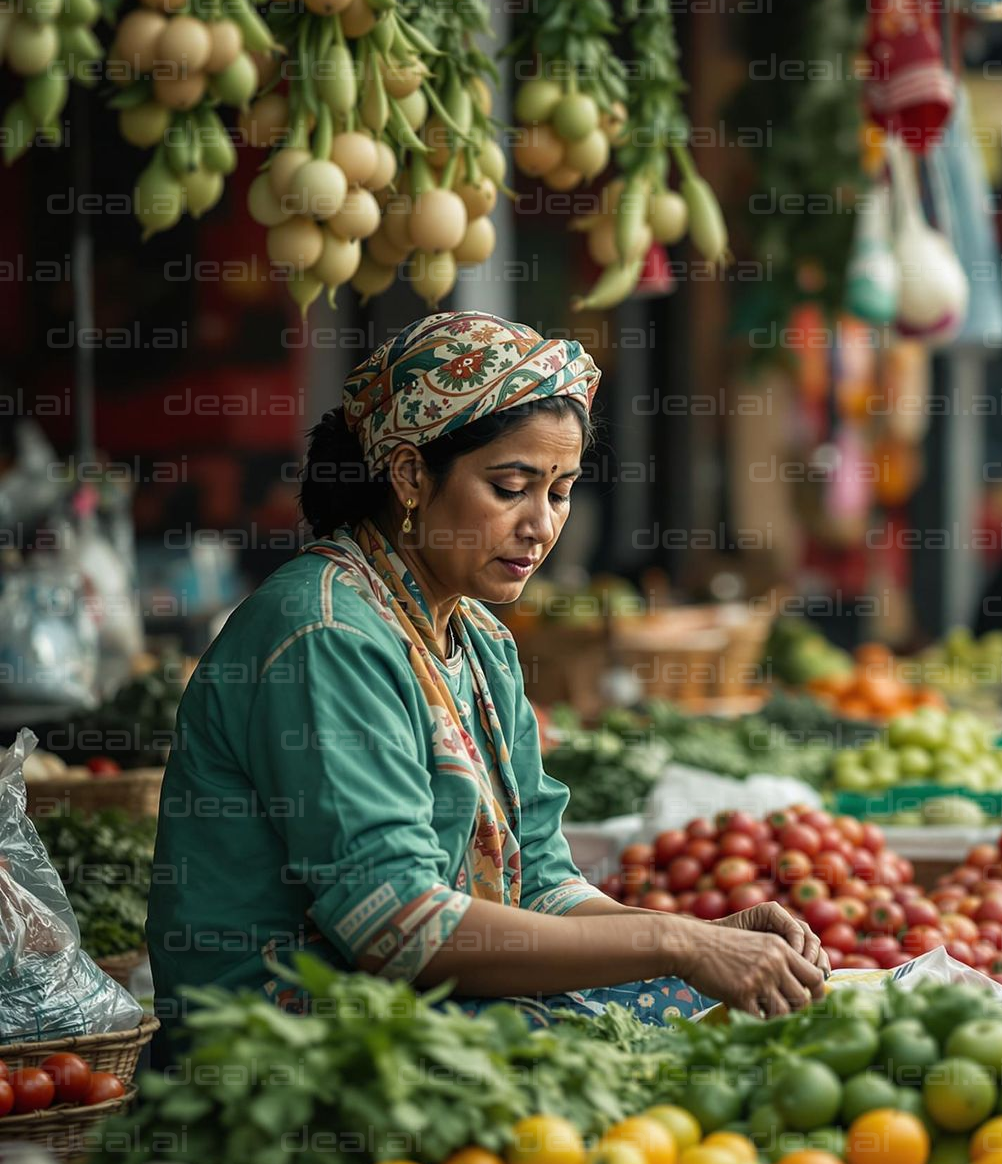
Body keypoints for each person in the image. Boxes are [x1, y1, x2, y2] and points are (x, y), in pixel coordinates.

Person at [147, 311, 827, 1032]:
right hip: (290, 1044)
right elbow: (398, 927)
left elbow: (538, 880)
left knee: (754, 1016)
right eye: (511, 487)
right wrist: (674, 942)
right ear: (410, 475)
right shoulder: (325, 633)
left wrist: (705, 939)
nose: (541, 524)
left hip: (425, 1008)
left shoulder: (480, 641)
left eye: (559, 492)